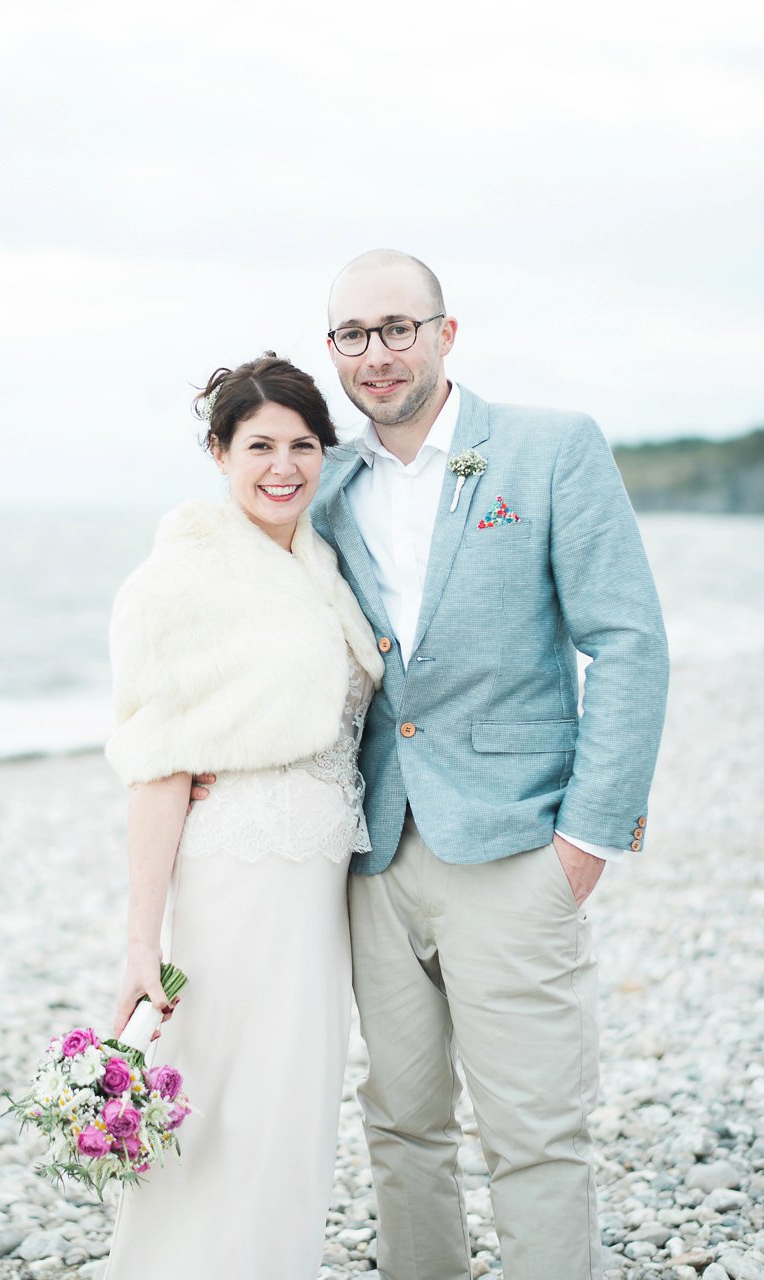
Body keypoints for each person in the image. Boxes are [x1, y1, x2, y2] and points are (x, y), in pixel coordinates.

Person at [306, 249, 669, 1280]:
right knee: (400, 1126)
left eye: (397, 327)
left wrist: (591, 836)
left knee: (538, 1133)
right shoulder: (324, 479)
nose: (376, 354)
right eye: (351, 334)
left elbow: (630, 640)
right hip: (377, 854)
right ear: (332, 349)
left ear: (446, 333)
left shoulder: (550, 449)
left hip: (520, 845)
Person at [100, 354, 384, 1280]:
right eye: (259, 444)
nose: (284, 465)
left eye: (305, 444)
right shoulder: (179, 579)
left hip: (318, 884)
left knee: (293, 1107)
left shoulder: (323, 564)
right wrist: (142, 945)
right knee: (220, 1101)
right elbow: (156, 767)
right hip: (238, 876)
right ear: (219, 454)